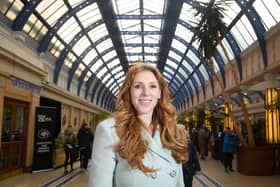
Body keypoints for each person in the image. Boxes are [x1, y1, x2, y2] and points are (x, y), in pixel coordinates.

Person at [89, 62, 188, 187]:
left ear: (159, 93)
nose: (146, 93)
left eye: (152, 86)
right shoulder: (109, 131)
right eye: (137, 86)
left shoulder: (171, 130)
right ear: (128, 92)